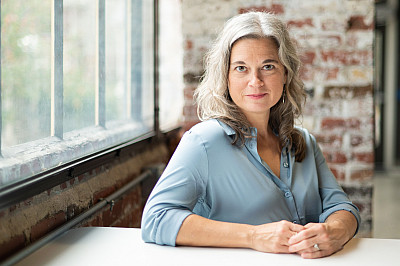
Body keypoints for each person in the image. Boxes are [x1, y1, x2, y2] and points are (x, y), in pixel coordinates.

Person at [141, 11, 360, 259]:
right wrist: (253, 236)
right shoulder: (203, 142)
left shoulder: (303, 142)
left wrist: (335, 231)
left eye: (268, 66)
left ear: (285, 73)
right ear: (226, 76)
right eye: (241, 68)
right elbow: (156, 218)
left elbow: (342, 207)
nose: (255, 82)